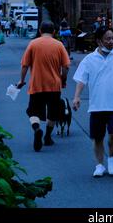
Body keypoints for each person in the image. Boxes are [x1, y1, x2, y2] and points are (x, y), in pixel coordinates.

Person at [72, 26, 113, 177]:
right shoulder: (89, 60)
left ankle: (112, 157)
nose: (111, 41)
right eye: (107, 38)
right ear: (99, 41)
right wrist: (76, 97)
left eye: (112, 38)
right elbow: (81, 80)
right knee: (98, 137)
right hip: (97, 105)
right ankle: (99, 164)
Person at [16, 21, 70, 152]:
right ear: (54, 32)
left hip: (36, 84)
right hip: (54, 85)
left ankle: (36, 128)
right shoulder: (59, 45)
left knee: (33, 111)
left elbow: (24, 65)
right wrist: (63, 79)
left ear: (40, 31)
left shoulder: (33, 44)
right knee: (53, 112)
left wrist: (21, 81)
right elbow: (66, 66)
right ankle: (47, 137)